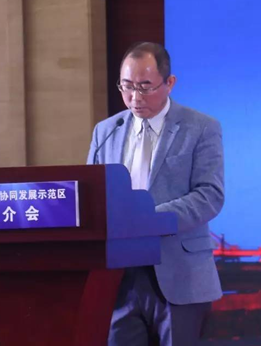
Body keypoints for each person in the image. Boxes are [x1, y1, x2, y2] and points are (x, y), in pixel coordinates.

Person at [87, 42, 225, 346]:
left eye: (145, 87)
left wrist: (149, 219)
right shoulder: (106, 131)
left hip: (179, 275)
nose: (135, 98)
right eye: (127, 87)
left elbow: (210, 195)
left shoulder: (201, 127)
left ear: (169, 83)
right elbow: (91, 195)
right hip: (118, 278)